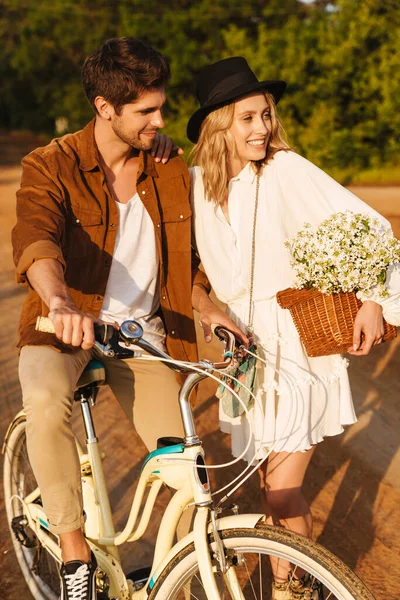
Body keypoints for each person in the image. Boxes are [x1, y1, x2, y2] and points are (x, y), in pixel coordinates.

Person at [11, 38, 242, 600]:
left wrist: (210, 311)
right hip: (65, 328)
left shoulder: (167, 167)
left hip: (139, 336)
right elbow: (36, 239)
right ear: (104, 107)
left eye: (159, 106)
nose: (160, 121)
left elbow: (185, 263)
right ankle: (73, 554)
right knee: (44, 401)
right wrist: (61, 304)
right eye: (146, 111)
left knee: (188, 468)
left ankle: (191, 576)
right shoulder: (52, 163)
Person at [186, 57, 400, 599]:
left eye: (264, 115)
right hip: (242, 349)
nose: (261, 128)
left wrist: (374, 298)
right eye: (247, 118)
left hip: (293, 346)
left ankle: (294, 589)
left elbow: (367, 225)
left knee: (282, 491)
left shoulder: (284, 169)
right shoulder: (197, 186)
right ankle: (287, 577)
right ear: (218, 126)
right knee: (266, 480)